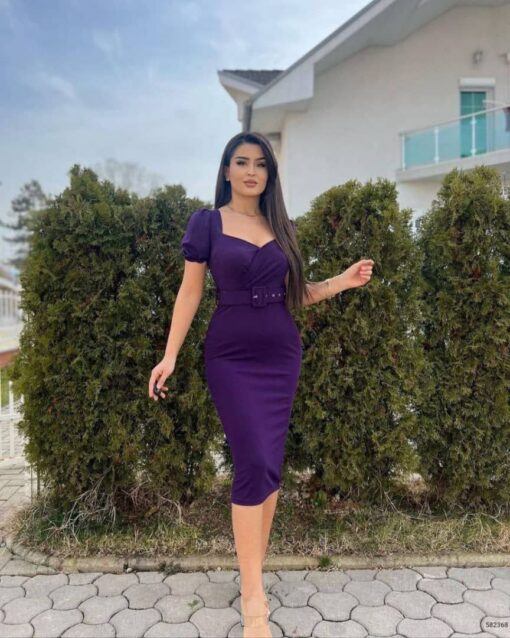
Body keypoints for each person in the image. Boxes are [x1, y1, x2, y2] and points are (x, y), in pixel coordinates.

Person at [148, 131, 374, 637]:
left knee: (268, 465)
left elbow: (296, 294)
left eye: (261, 164)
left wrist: (340, 282)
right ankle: (253, 598)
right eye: (242, 161)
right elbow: (190, 293)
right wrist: (169, 355)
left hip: (280, 354)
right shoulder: (207, 223)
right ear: (227, 170)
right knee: (252, 460)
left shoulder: (282, 226)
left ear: (269, 174)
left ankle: (253, 574)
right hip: (229, 355)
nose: (251, 171)